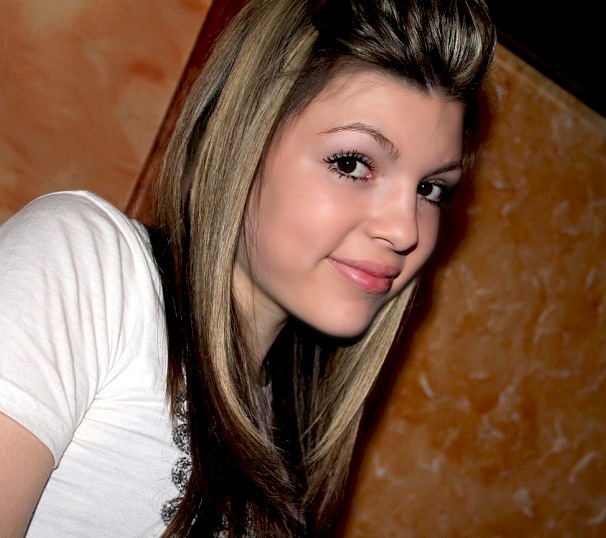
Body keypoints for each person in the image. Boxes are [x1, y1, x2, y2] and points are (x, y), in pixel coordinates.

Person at [0, 0, 496, 535]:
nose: (405, 230)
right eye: (352, 163)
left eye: (431, 189)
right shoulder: (87, 265)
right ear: (241, 137)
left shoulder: (290, 439)